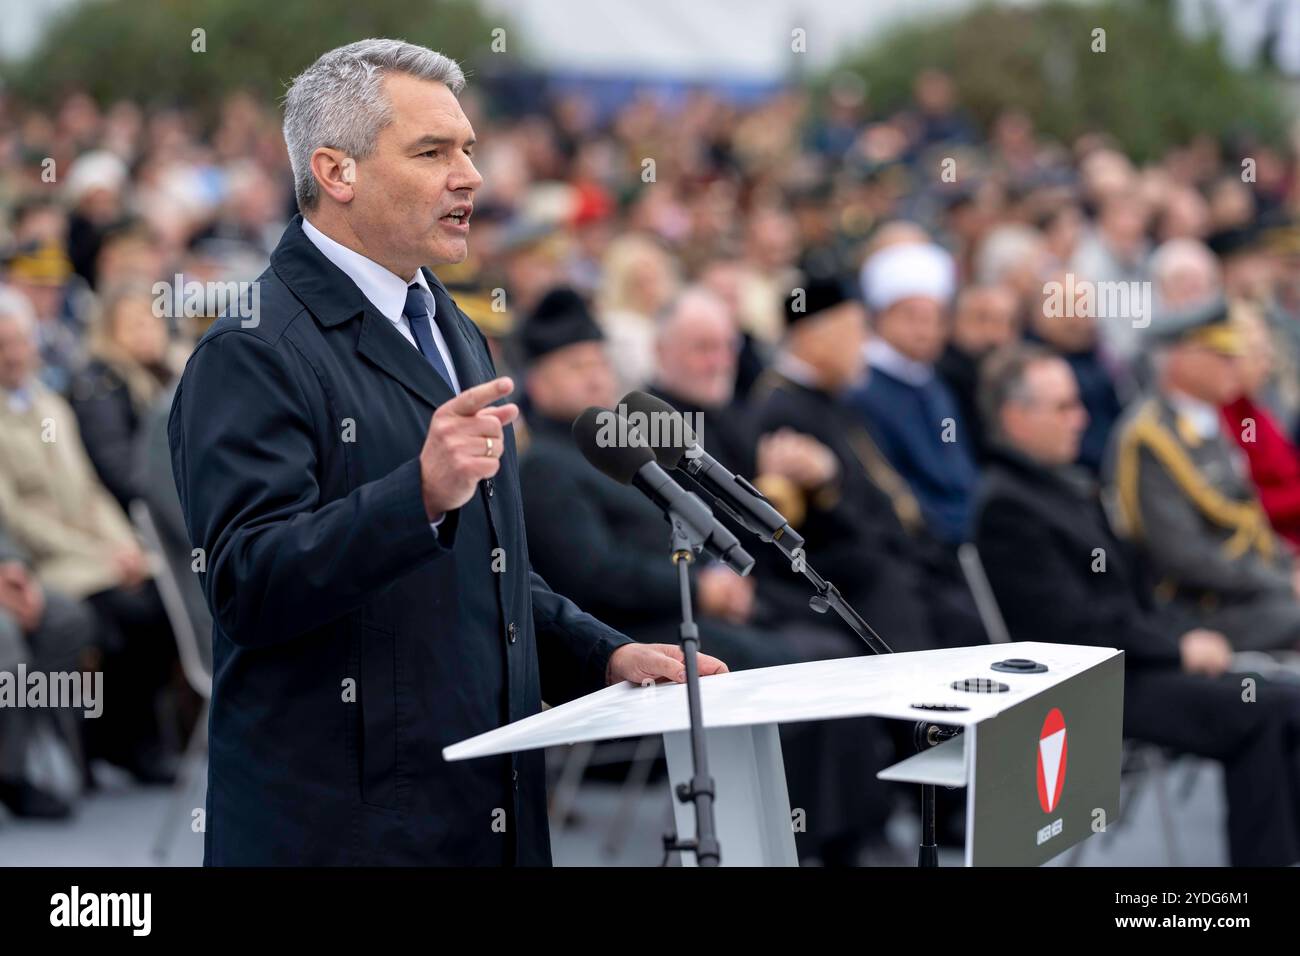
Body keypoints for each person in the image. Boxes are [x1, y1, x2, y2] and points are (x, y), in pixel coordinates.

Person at [169, 40, 724, 867]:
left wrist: (598, 650)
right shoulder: (252, 350)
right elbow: (246, 584)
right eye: (432, 152)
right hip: (346, 826)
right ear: (336, 171)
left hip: (481, 799)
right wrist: (416, 496)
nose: (469, 174)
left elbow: (489, 566)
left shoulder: (453, 327)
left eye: (467, 148)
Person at [973, 343, 1300, 866]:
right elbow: (1067, 628)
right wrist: (1177, 646)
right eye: (1063, 408)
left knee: (1286, 700)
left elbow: (1132, 594)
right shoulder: (1008, 508)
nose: (1080, 420)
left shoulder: (1061, 485)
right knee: (1262, 713)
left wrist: (1177, 637)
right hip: (1090, 686)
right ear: (1016, 417)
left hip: (1135, 663)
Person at [0, 285, 176, 784]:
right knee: (115, 617)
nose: (14, 354)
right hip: (54, 560)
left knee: (162, 604)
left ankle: (135, 742)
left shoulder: (50, 406)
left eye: (19, 341)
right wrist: (97, 552)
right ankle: (104, 743)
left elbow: (92, 490)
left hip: (99, 552)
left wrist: (126, 546)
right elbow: (15, 517)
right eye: (3, 345)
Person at [1109, 297, 1300, 652]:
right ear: (1183, 359)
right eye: (1224, 357)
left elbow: (1248, 516)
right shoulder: (1150, 438)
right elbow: (1183, 556)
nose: (1236, 366)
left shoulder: (1208, 421)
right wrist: (1279, 581)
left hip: (1244, 594)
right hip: (1196, 609)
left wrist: (1289, 566)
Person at [850, 239, 978, 547]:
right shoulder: (863, 391)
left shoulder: (932, 381)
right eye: (911, 317)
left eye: (934, 318)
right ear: (881, 318)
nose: (926, 330)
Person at [69, 282, 179, 511]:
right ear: (109, 331)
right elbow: (123, 474)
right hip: (141, 513)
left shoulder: (169, 372)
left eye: (152, 321)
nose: (146, 332)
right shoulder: (100, 385)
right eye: (134, 324)